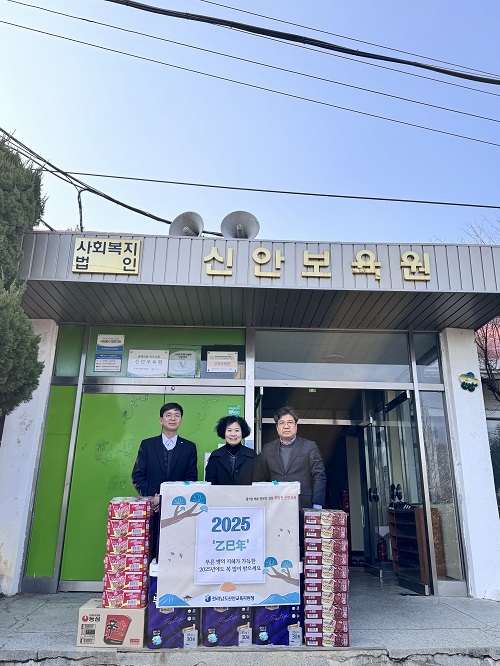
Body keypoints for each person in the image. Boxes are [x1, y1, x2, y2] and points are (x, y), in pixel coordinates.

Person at [132, 402, 198, 512]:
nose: (173, 418)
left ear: (181, 420)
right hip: (153, 506)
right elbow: (137, 476)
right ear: (161, 420)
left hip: (178, 506)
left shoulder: (189, 447)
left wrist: (170, 498)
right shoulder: (147, 445)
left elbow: (191, 478)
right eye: (168, 415)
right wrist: (153, 496)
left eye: (177, 415)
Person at [257, 406, 326, 510]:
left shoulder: (309, 446)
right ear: (277, 427)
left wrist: (317, 503)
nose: (286, 426)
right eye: (282, 423)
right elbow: (263, 478)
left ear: (296, 425)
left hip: (303, 504)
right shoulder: (268, 448)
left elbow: (319, 475)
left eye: (290, 422)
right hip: (275, 505)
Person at [205, 416, 257, 485]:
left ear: (242, 432)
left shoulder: (252, 455)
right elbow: (210, 482)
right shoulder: (215, 456)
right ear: (224, 432)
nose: (233, 434)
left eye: (237, 430)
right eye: (229, 430)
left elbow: (257, 482)